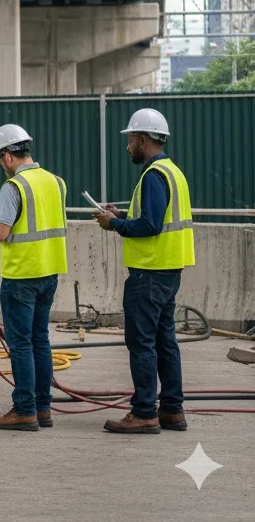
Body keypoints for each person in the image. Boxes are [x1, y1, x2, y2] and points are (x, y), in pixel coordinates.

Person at [94, 108, 194, 434]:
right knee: (165, 342)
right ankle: (172, 411)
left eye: (130, 140)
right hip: (168, 271)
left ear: (142, 139)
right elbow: (155, 217)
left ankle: (144, 412)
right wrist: (123, 214)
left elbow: (150, 225)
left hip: (148, 273)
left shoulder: (153, 175)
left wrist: (115, 224)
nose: (127, 147)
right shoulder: (172, 172)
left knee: (142, 344)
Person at [0, 124, 67, 432]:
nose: (2, 167)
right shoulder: (55, 182)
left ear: (8, 157)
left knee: (21, 344)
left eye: (1, 160)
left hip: (21, 277)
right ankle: (42, 408)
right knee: (41, 340)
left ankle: (24, 409)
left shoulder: (14, 187)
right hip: (49, 273)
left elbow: (0, 232)